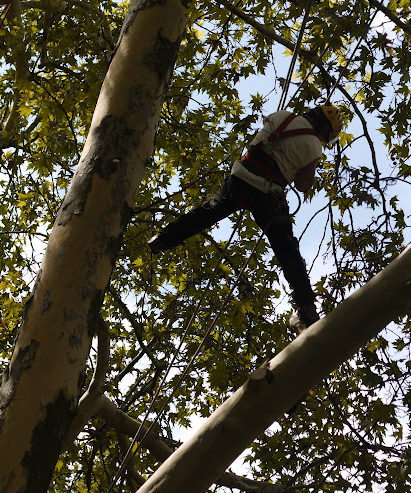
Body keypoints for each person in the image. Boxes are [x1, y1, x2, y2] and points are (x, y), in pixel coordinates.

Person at [147, 105, 344, 330]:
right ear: (324, 130)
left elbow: (266, 135)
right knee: (287, 250)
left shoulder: (283, 117)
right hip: (266, 195)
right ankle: (307, 309)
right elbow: (302, 184)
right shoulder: (314, 147)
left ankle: (163, 238)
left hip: (240, 178)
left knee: (208, 212)